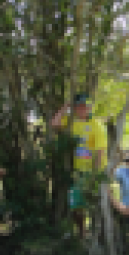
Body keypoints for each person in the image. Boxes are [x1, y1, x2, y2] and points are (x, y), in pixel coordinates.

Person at [49, 93, 107, 238]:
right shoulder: (71, 122)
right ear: (75, 108)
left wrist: (96, 174)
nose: (83, 109)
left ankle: (97, 234)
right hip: (77, 171)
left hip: (94, 171)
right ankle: (82, 232)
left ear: (90, 107)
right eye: (79, 106)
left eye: (85, 106)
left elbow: (100, 151)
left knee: (95, 203)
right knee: (76, 205)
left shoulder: (97, 124)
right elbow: (54, 124)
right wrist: (64, 107)